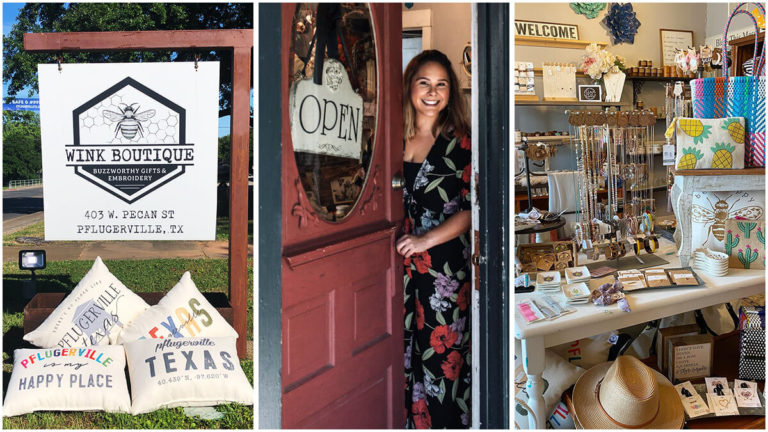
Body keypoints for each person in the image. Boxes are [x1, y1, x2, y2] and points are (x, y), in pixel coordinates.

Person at [397, 49, 472, 429]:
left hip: (445, 268)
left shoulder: (460, 142)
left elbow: (472, 208)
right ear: (410, 85)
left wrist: (426, 241)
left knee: (443, 358)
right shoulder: (392, 138)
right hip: (400, 267)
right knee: (403, 351)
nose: (432, 91)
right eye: (424, 82)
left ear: (450, 92)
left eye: (441, 84)